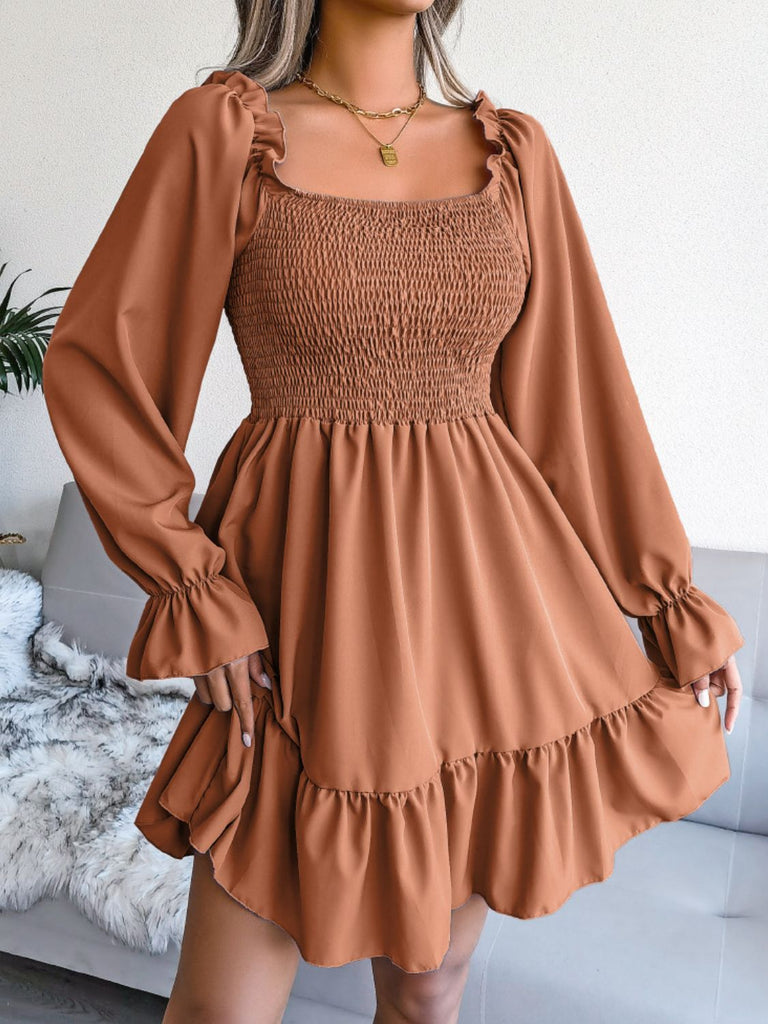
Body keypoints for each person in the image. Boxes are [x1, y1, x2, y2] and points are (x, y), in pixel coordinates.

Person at [42, 1, 746, 1022]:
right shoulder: (228, 134)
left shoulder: (514, 157)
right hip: (301, 615)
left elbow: (578, 404)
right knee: (222, 1008)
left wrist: (669, 598)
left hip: (483, 622)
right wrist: (193, 581)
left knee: (429, 986)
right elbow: (104, 369)